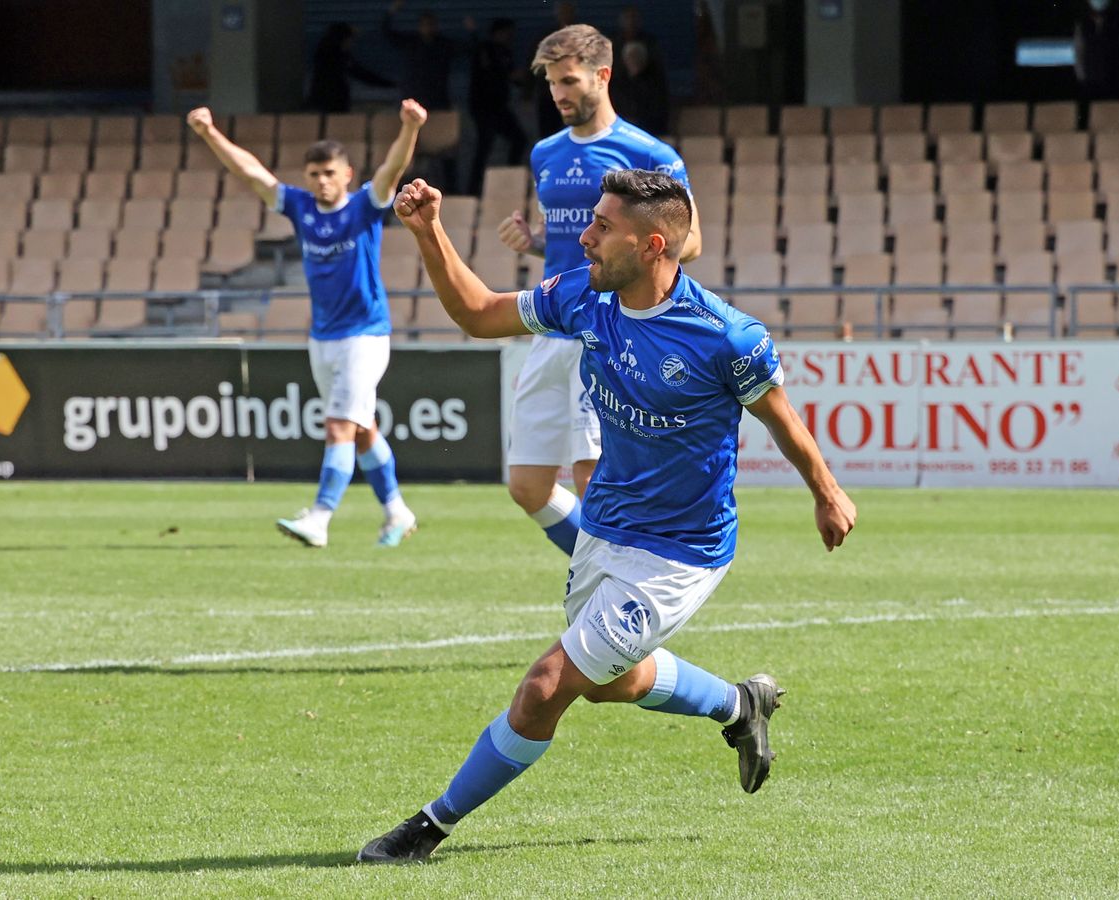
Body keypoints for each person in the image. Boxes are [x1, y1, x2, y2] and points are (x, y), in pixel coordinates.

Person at [357, 168, 856, 863]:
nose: (583, 236)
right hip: (605, 531)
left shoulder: (726, 337)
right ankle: (740, 705)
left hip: (679, 553)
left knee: (545, 688)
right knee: (611, 683)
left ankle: (427, 829)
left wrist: (826, 492)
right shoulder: (582, 298)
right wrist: (428, 232)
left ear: (653, 245)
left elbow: (782, 419)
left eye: (602, 227)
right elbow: (478, 315)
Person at [497, 24, 702, 558]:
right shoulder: (545, 153)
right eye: (550, 84)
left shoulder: (648, 153)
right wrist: (535, 243)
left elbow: (692, 242)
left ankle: (615, 599)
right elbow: (576, 244)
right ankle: (614, 576)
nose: (559, 94)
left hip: (608, 328)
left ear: (603, 75)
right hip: (552, 323)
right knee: (527, 485)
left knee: (594, 480)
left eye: (568, 81)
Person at [187, 100, 426, 548]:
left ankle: (319, 518)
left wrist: (410, 128)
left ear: (347, 174)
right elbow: (252, 174)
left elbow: (393, 170)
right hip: (324, 338)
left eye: (329, 173)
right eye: (314, 174)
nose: (321, 181)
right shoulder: (300, 207)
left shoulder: (364, 208)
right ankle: (397, 511)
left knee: (338, 425)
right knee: (360, 429)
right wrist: (209, 134)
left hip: (365, 334)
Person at [466, 17, 529, 194]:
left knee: (518, 140)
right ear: (498, 33)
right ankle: (473, 190)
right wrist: (472, 32)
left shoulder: (506, 52)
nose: (510, 36)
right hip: (483, 107)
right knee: (484, 146)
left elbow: (512, 77)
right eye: (507, 33)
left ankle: (510, 182)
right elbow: (492, 72)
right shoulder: (485, 49)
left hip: (499, 107)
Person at [383, 1, 459, 111]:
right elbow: (388, 34)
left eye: (430, 24)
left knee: (438, 126)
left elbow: (468, 49)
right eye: (424, 24)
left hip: (438, 98)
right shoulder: (411, 42)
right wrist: (391, 11)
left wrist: (472, 32)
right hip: (415, 97)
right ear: (419, 26)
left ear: (435, 26)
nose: (427, 28)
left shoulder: (443, 45)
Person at [306, 22, 395, 114]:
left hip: (322, 99)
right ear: (343, 39)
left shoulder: (325, 52)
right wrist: (388, 84)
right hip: (333, 100)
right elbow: (360, 73)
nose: (351, 43)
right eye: (350, 40)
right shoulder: (338, 56)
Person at [1074, 0, 1119, 102]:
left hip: (1117, 80)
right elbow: (1079, 50)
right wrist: (1082, 75)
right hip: (1092, 82)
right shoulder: (1083, 22)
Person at [535, 2, 581, 138]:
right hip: (549, 95)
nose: (565, 14)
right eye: (562, 11)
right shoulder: (547, 37)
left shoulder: (582, 36)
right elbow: (536, 64)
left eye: (568, 11)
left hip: (575, 94)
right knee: (549, 134)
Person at [610, 39, 670, 136]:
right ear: (625, 60)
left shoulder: (654, 82)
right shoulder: (618, 83)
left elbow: (658, 108)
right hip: (622, 127)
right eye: (631, 57)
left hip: (649, 129)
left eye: (637, 56)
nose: (634, 60)